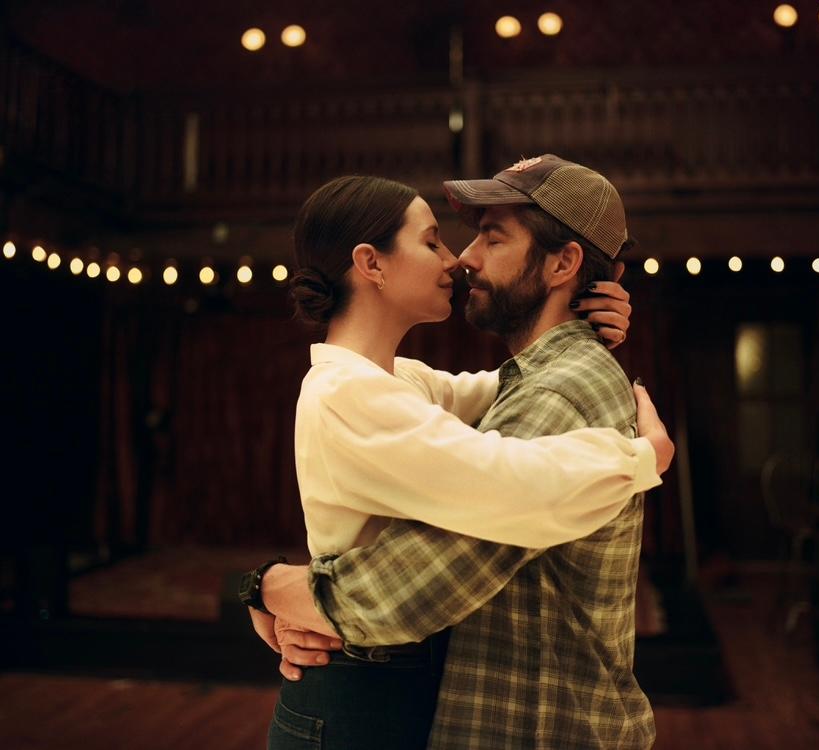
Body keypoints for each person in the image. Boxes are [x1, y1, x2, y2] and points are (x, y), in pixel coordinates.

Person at [245, 169, 674, 750]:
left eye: (491, 239)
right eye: (433, 242)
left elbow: (499, 396)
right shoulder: (349, 392)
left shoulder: (401, 382)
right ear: (371, 264)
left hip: (418, 688)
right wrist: (640, 456)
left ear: (561, 263)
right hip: (361, 685)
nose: (459, 260)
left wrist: (586, 323)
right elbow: (504, 483)